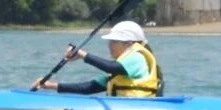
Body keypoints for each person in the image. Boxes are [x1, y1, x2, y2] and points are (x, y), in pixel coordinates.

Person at [33, 20, 163, 96]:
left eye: (113, 42)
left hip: (139, 109)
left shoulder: (137, 58)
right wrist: (50, 85)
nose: (109, 45)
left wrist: (82, 54)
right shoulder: (119, 72)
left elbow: (112, 66)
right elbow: (89, 87)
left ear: (129, 43)